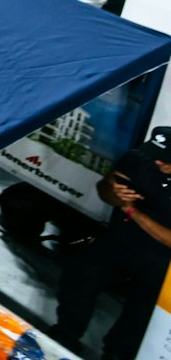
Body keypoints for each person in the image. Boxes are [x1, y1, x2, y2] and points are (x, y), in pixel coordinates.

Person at [54, 128, 171, 359]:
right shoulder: (139, 159)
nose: (158, 161)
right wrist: (113, 191)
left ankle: (116, 355)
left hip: (162, 262)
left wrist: (130, 210)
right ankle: (64, 336)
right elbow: (104, 190)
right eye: (155, 154)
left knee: (142, 317)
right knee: (81, 274)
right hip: (120, 241)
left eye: (166, 159)